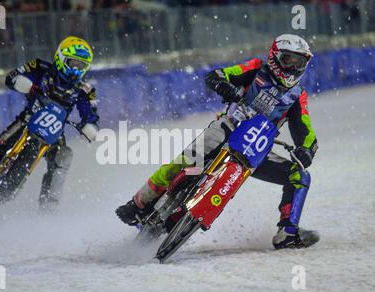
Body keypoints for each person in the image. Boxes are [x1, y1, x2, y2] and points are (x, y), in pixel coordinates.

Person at [116, 34, 320, 249]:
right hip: (228, 128)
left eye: (299, 62)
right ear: (275, 56)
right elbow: (219, 74)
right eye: (289, 60)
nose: (293, 67)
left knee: (300, 175)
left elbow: (304, 127)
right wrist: (222, 84)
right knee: (187, 159)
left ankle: (287, 232)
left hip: (257, 150)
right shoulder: (256, 68)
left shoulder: (297, 96)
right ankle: (139, 203)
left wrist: (307, 149)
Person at [0, 36, 99, 211]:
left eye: (81, 66)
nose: (76, 70)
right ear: (61, 58)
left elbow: (91, 115)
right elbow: (12, 76)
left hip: (54, 132)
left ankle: (48, 206)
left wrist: (91, 127)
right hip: (27, 120)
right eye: (73, 63)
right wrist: (21, 83)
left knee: (63, 157)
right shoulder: (41, 67)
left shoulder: (85, 90)